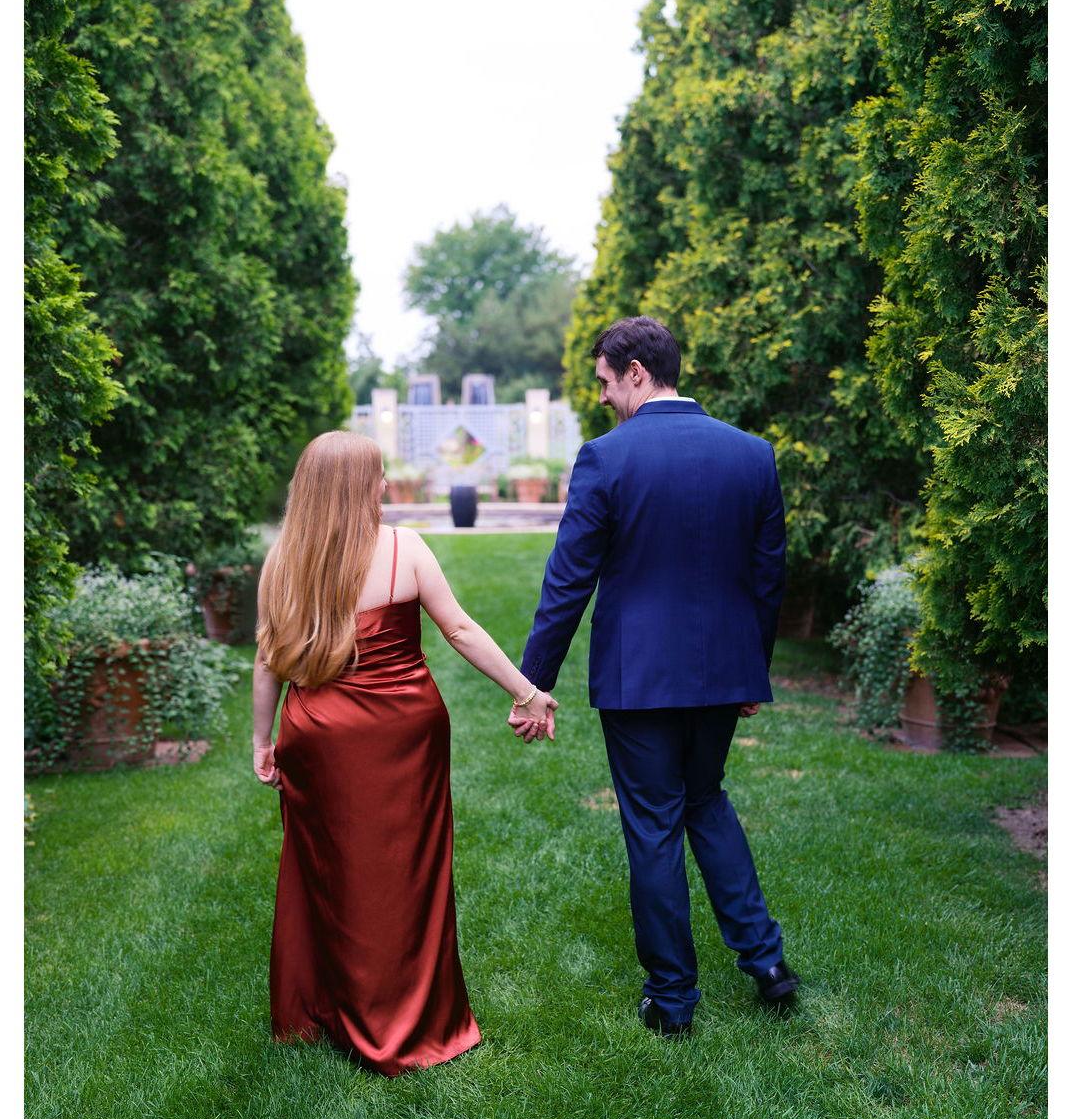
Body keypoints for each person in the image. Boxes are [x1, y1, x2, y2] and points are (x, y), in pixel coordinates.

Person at [510, 315, 797, 1038]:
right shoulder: (753, 455)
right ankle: (766, 962)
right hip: (723, 673)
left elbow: (567, 581)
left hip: (637, 680)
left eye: (606, 381)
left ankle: (671, 999)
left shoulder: (605, 459)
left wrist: (532, 682)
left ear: (636, 371)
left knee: (654, 824)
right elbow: (768, 579)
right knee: (704, 799)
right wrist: (751, 671)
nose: (602, 396)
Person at [251, 430, 557, 1075]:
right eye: (379, 475)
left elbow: (267, 657)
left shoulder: (284, 559)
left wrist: (262, 740)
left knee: (329, 871)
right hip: (403, 736)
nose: (386, 484)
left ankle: (328, 1010)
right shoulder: (404, 548)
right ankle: (413, 1016)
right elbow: (460, 630)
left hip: (318, 735)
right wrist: (527, 692)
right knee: (408, 876)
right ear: (357, 488)